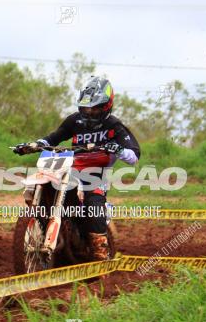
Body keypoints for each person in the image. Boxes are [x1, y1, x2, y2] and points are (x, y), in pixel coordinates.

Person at [13, 77, 141, 261]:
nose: (89, 112)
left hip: (95, 174)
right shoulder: (74, 121)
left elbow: (134, 156)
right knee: (45, 184)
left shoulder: (114, 126)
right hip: (70, 168)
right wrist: (33, 145)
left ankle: (100, 255)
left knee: (92, 206)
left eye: (95, 108)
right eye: (86, 108)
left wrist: (118, 149)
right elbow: (53, 138)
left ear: (106, 106)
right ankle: (46, 228)